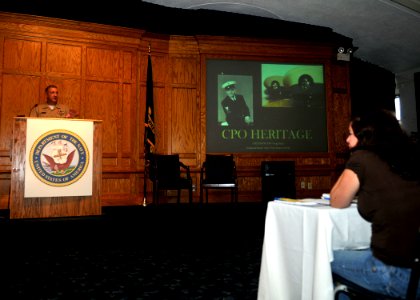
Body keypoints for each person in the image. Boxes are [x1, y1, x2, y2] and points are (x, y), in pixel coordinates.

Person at [330, 109, 420, 299]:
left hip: (393, 272)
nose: (347, 140)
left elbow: (337, 201)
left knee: (322, 258)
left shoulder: (362, 158)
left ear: (366, 135)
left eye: (351, 134)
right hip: (415, 274)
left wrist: (352, 159)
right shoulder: (410, 158)